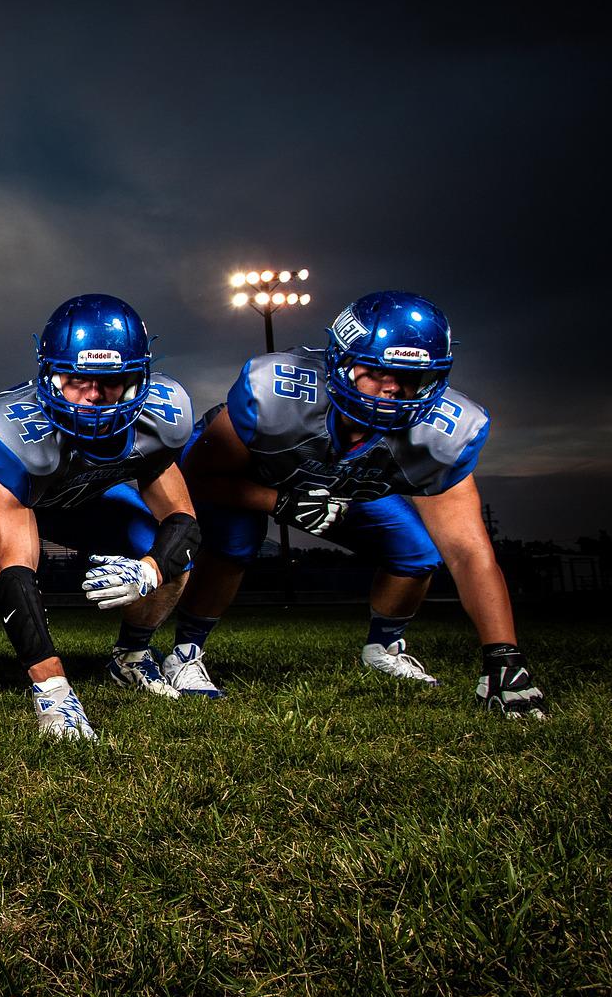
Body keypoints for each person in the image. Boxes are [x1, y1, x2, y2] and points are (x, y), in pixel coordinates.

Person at [160, 290, 548, 718]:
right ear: (340, 362)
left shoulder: (443, 435)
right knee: (236, 542)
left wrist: (503, 657)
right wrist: (280, 502)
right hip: (253, 474)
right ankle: (186, 651)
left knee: (417, 554)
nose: (393, 389)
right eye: (377, 370)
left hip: (344, 486)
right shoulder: (276, 393)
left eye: (410, 377)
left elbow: (469, 552)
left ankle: (384, 647)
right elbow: (201, 477)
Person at [0, 294, 201, 740]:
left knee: (173, 559)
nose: (93, 398)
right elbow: (15, 573)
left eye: (112, 381)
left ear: (139, 379)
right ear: (49, 376)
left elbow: (182, 520)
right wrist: (53, 689)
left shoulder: (163, 416)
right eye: (76, 379)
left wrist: (150, 569)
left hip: (82, 497)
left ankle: (131, 655)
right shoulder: (13, 430)